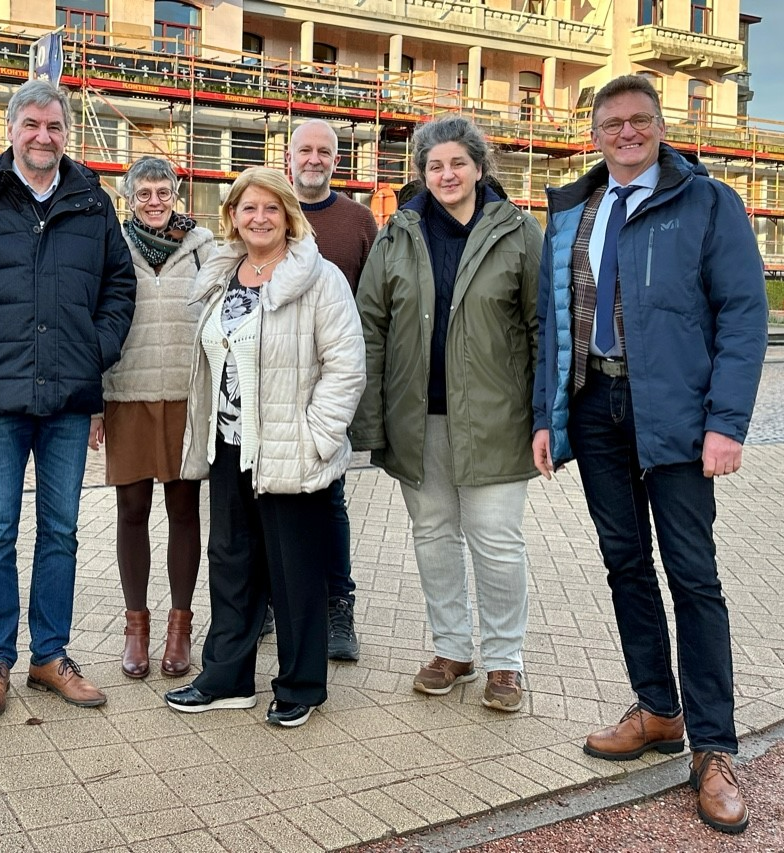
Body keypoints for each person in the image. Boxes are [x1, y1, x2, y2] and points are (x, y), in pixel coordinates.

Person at [532, 75, 766, 834]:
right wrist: (547, 416)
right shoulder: (575, 209)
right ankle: (658, 710)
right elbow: (554, 321)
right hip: (595, 407)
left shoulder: (708, 203)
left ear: (661, 128)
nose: (627, 133)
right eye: (612, 123)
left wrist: (726, 423)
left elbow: (742, 315)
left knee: (693, 575)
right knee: (625, 563)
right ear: (595, 134)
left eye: (640, 120)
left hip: (677, 416)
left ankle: (715, 748)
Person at [0, 80, 136, 717]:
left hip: (69, 397)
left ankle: (50, 655)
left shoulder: (92, 202)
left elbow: (119, 285)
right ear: (12, 129)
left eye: (55, 126)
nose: (44, 136)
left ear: (66, 133)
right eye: (33, 125)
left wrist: (93, 350)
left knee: (61, 530)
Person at [352, 115, 542, 713]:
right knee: (433, 534)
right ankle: (452, 650)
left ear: (480, 167)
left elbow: (542, 329)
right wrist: (371, 418)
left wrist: (546, 417)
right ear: (422, 174)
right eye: (434, 165)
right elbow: (371, 326)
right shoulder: (398, 234)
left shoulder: (518, 232)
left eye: (458, 162)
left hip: (496, 419)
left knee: (496, 540)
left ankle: (505, 660)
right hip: (419, 418)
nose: (447, 174)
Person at [163, 167, 365, 728]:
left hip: (290, 447)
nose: (259, 218)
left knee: (294, 571)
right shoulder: (223, 274)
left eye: (271, 208)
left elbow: (346, 365)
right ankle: (226, 679)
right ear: (232, 216)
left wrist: (317, 436)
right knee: (231, 564)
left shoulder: (319, 278)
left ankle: (301, 686)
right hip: (231, 444)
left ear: (288, 216)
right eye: (248, 208)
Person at [93, 156, 213, 679]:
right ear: (129, 198)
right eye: (143, 193)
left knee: (185, 511)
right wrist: (94, 403)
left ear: (176, 193)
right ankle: (136, 628)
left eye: (163, 191)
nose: (155, 201)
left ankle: (180, 628)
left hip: (186, 398)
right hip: (128, 394)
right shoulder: (111, 246)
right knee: (132, 511)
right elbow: (95, 320)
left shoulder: (205, 247)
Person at [284, 118, 379, 662]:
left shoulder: (358, 221)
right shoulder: (271, 207)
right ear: (289, 156)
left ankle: (338, 606)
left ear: (336, 161)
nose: (314, 159)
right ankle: (271, 601)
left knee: (329, 499)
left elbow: (375, 304)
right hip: (272, 382)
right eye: (305, 150)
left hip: (331, 386)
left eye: (324, 151)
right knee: (267, 498)